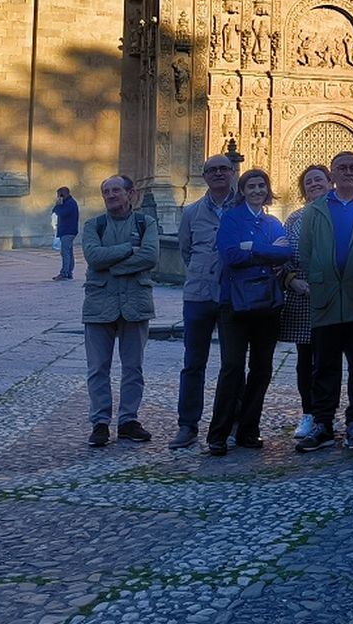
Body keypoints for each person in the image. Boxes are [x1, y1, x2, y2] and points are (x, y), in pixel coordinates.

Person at [294, 151, 353, 453]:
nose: (348, 172)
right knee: (324, 366)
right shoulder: (314, 210)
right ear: (332, 174)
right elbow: (306, 253)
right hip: (326, 300)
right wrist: (319, 278)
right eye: (342, 168)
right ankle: (323, 423)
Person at [208, 168, 292, 455]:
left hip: (267, 305)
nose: (257, 190)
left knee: (262, 368)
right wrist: (265, 251)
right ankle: (218, 433)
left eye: (261, 185)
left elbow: (286, 253)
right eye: (251, 186)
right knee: (231, 367)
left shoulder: (273, 221)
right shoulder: (232, 218)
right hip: (234, 303)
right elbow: (230, 255)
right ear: (242, 190)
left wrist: (251, 247)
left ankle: (249, 430)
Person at [170, 154, 241, 450]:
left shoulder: (244, 208)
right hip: (198, 295)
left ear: (233, 173)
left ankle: (233, 422)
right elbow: (185, 251)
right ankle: (188, 425)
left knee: (233, 364)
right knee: (193, 363)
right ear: (205, 176)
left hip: (234, 296)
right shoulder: (191, 212)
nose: (219, 174)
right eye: (212, 170)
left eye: (224, 169)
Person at [80, 175, 157, 447]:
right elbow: (93, 257)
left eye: (116, 190)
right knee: (98, 368)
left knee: (133, 367)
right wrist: (127, 249)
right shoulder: (94, 225)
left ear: (130, 194)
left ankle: (128, 420)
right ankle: (100, 422)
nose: (111, 195)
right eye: (106, 191)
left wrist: (112, 264)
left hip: (135, 304)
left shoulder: (146, 223)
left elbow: (150, 256)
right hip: (100, 305)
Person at [283, 164, 330, 440]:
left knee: (330, 359)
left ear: (330, 183)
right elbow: (284, 252)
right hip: (303, 297)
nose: (314, 184)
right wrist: (291, 280)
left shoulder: (342, 213)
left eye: (319, 180)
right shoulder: (295, 219)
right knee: (305, 359)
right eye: (309, 181)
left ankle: (330, 416)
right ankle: (309, 412)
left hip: (335, 297)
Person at [52, 186, 80, 281]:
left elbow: (60, 212)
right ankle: (69, 272)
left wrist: (58, 205)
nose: (58, 197)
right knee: (68, 252)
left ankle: (64, 273)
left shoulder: (70, 204)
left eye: (59, 195)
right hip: (67, 230)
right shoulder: (68, 203)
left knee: (65, 252)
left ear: (63, 194)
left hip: (68, 231)